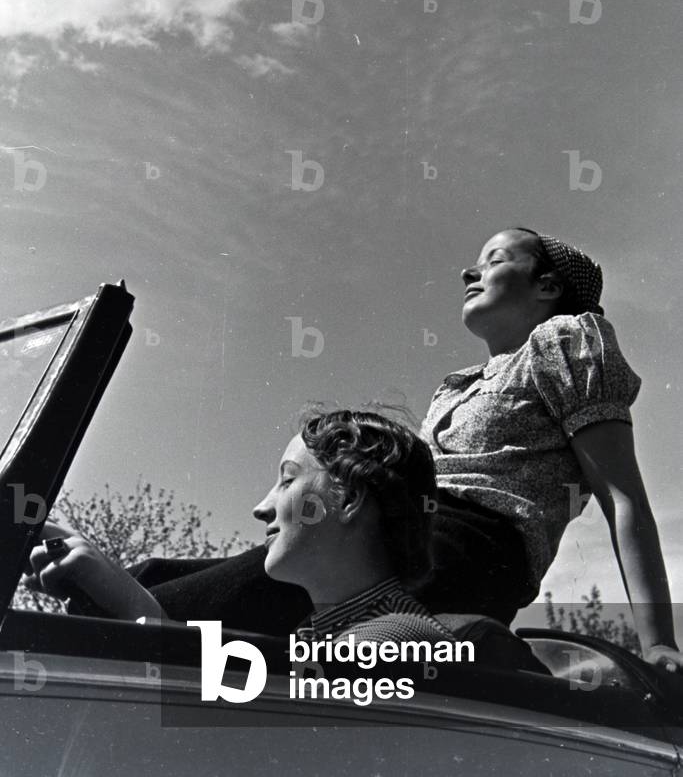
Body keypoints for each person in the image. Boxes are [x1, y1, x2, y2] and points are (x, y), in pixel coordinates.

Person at [25, 409, 542, 670]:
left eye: (288, 479)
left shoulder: (394, 638)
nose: (262, 506)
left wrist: (116, 588)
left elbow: (219, 687)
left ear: (352, 497)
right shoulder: (335, 635)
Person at [416, 227, 682, 673]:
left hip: (475, 544)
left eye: (495, 260)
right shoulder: (455, 386)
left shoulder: (563, 340)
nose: (469, 272)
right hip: (408, 530)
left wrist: (660, 644)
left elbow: (622, 496)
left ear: (548, 286)